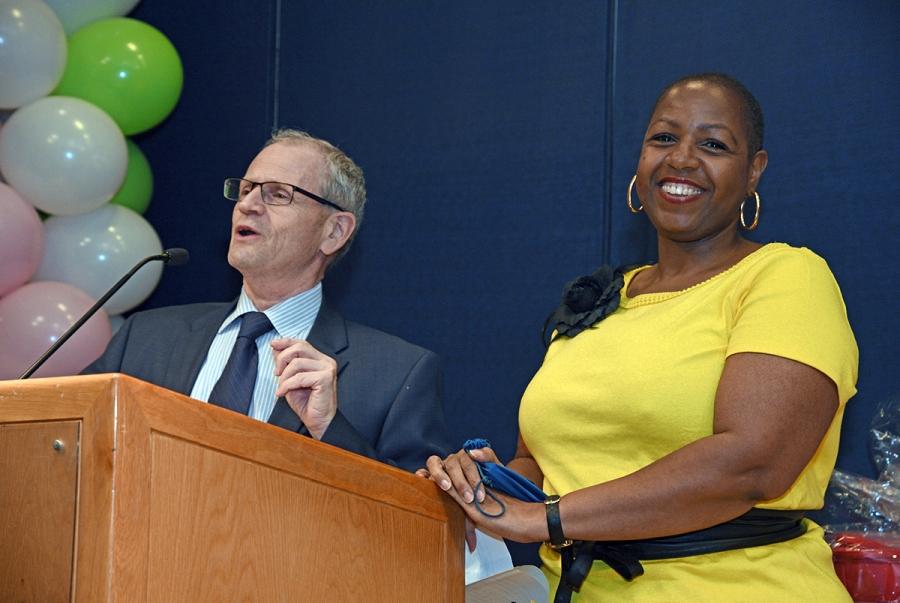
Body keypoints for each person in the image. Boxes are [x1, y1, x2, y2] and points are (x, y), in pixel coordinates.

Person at [425, 73, 858, 601]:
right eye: (664, 138)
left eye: (714, 144)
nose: (681, 159)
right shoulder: (602, 296)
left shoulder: (786, 276)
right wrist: (479, 483)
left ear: (754, 172)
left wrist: (547, 519)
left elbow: (752, 464)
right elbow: (543, 462)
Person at [84, 129, 450, 472]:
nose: (248, 205)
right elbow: (69, 447)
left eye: (277, 194)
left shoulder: (396, 375)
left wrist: (330, 430)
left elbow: (415, 525)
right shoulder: (145, 339)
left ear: (334, 232)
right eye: (244, 190)